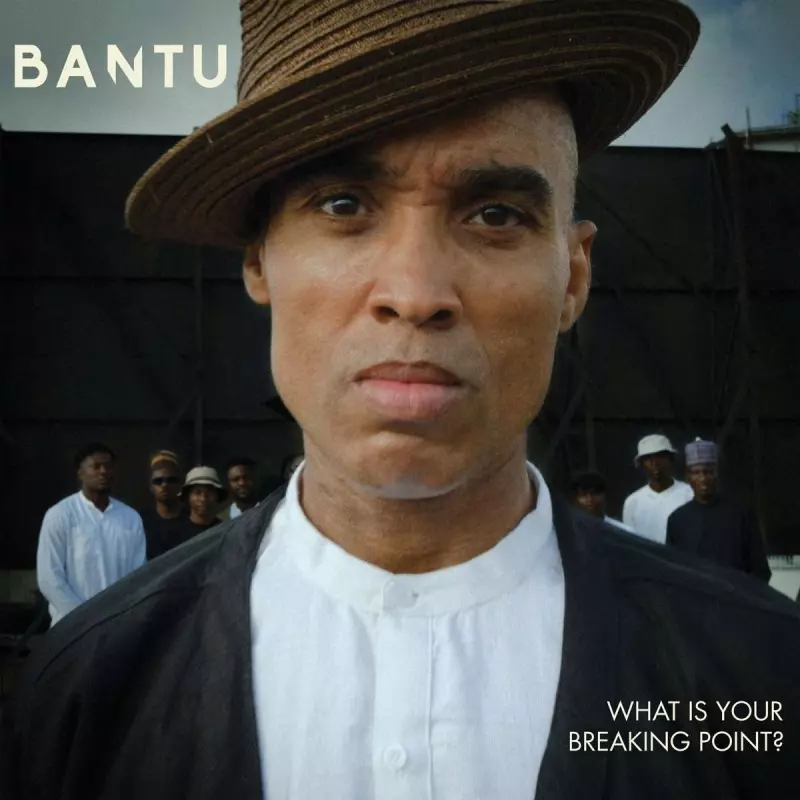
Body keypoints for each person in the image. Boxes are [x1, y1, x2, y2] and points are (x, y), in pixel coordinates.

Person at [7, 3, 800, 799]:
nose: (416, 294)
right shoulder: (88, 692)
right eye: (344, 204)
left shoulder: (760, 683)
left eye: (495, 215)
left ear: (574, 276)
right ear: (258, 260)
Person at [35, 442, 145, 627]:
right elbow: (49, 578)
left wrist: (120, 615)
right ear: (80, 473)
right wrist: (83, 618)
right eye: (96, 466)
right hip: (72, 628)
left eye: (108, 466)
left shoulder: (131, 518)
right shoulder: (60, 514)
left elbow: (139, 576)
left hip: (118, 625)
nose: (103, 471)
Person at [667, 439, 771, 582]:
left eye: (708, 472)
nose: (703, 478)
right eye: (696, 472)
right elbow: (673, 573)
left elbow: (760, 570)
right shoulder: (677, 520)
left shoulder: (742, 514)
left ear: (717, 474)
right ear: (688, 477)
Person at [622, 434, 694, 543]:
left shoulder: (689, 494)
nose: (654, 463)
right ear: (641, 464)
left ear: (670, 459)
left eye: (660, 456)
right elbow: (629, 543)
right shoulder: (632, 502)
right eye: (648, 458)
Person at [141, 450, 191, 560]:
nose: (164, 485)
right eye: (158, 481)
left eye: (171, 480)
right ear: (151, 487)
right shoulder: (140, 522)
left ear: (180, 484)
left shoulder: (193, 519)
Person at [570, 470, 634, 533]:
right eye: (583, 495)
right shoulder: (568, 533)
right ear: (575, 499)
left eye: (594, 493)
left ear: (604, 495)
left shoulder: (623, 531)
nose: (589, 499)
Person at [182, 466, 227, 534]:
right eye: (198, 492)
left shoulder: (225, 531)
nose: (203, 499)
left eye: (209, 493)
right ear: (188, 496)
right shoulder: (175, 532)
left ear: (217, 496)